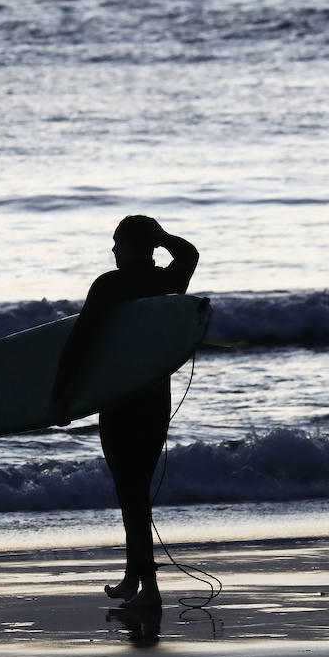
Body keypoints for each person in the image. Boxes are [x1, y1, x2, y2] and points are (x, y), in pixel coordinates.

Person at [51, 216, 199, 609]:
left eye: (118, 242)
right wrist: (163, 238)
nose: (113, 249)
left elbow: (81, 341)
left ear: (133, 246)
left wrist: (61, 394)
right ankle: (135, 578)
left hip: (118, 399)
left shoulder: (110, 285)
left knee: (129, 491)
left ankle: (148, 588)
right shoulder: (167, 283)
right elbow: (189, 254)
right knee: (138, 490)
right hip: (154, 398)